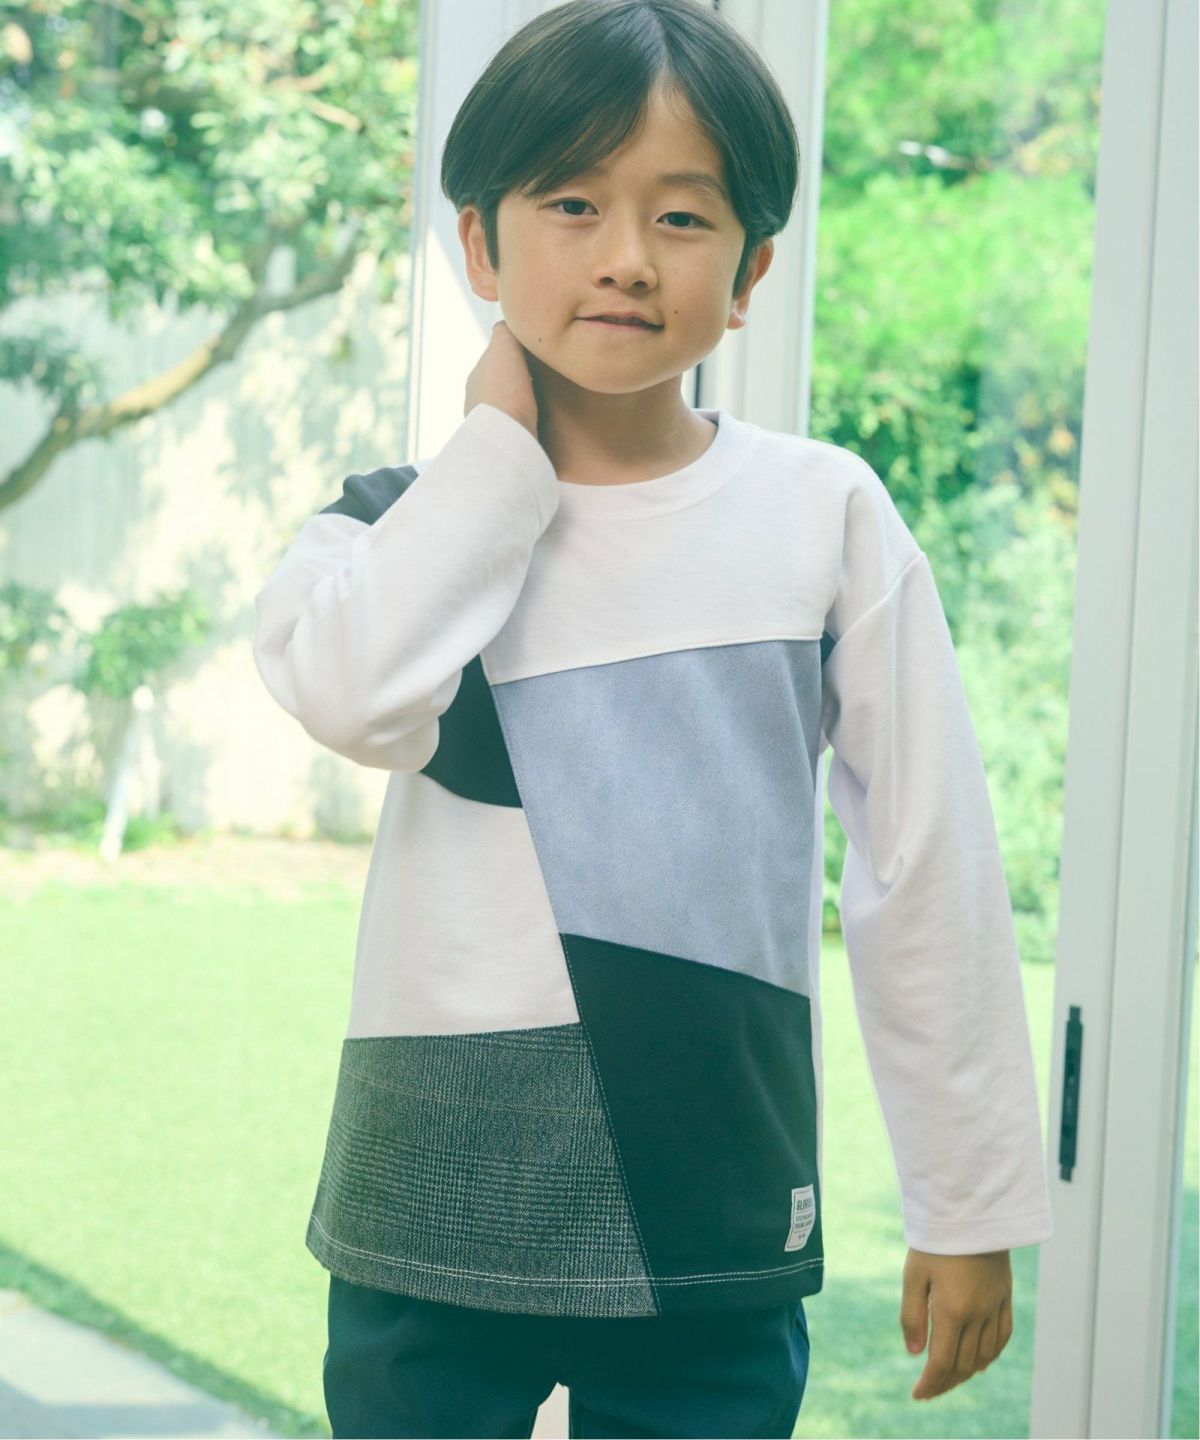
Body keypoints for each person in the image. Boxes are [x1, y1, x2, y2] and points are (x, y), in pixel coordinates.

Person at [251, 1, 1053, 1435]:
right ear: (480, 244)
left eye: (683, 217)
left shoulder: (823, 514)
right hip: (430, 1204)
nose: (627, 255)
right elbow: (351, 697)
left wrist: (970, 1200)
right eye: (573, 203)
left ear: (750, 273)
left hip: (716, 1209)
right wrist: (496, 455)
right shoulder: (393, 527)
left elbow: (927, 858)